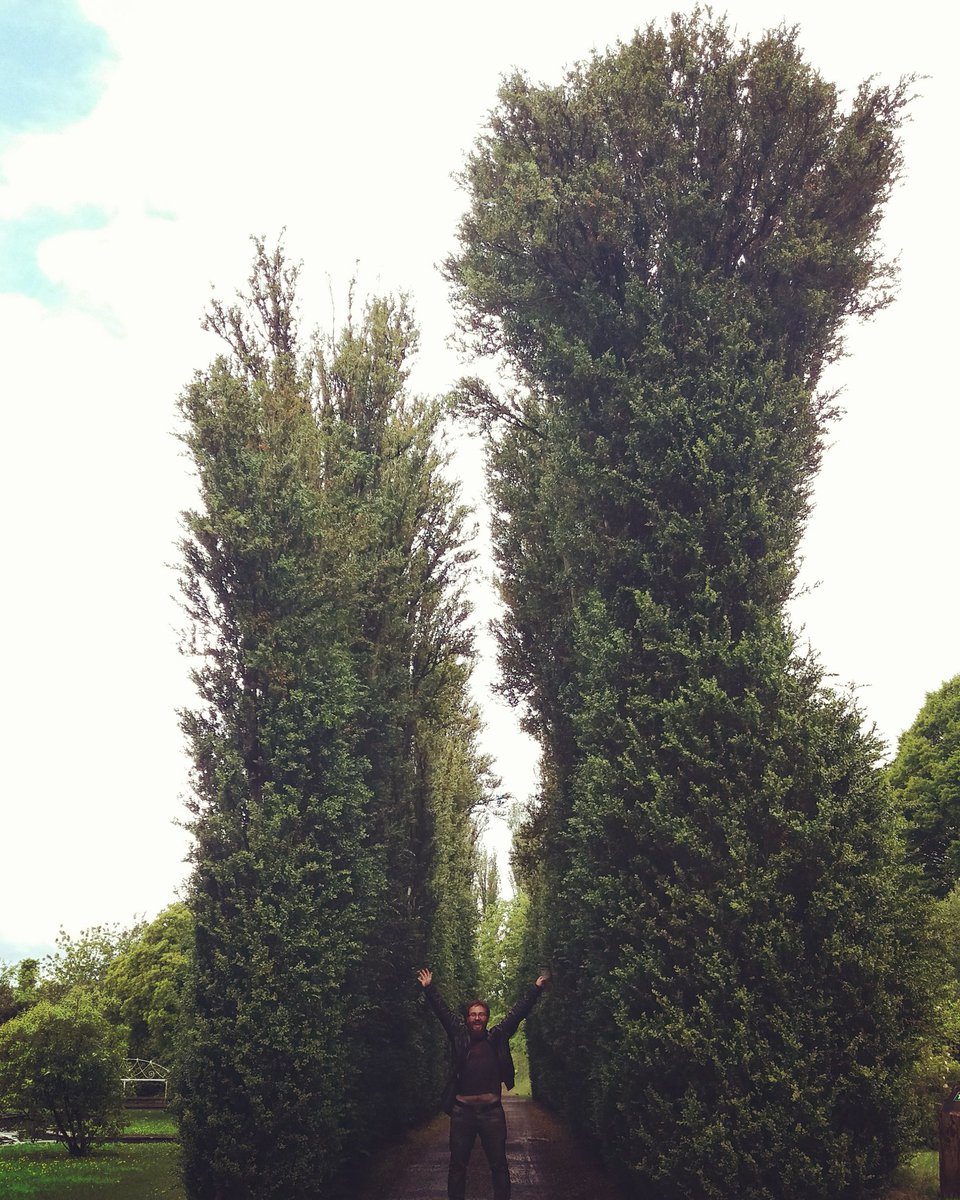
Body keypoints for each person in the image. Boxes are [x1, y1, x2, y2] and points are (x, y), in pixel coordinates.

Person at [417, 966, 548, 1200]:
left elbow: (518, 1012)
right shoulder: (458, 1035)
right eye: (473, 1014)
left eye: (481, 1014)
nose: (477, 1017)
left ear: (487, 1018)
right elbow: (442, 1011)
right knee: (457, 1166)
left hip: (492, 1114)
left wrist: (535, 989)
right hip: (462, 1114)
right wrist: (429, 989)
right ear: (467, 1018)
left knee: (499, 1165)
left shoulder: (496, 1037)